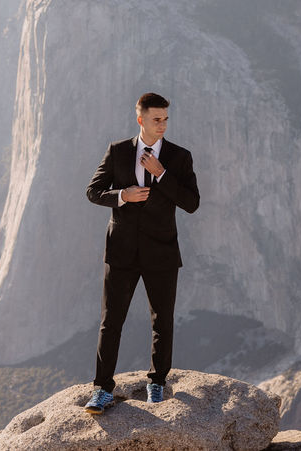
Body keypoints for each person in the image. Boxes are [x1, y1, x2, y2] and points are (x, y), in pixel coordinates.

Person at [83, 92, 200, 413]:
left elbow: (191, 203)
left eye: (165, 119)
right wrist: (123, 195)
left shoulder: (178, 157)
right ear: (141, 120)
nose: (162, 125)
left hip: (161, 252)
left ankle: (157, 384)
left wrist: (162, 173)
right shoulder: (118, 151)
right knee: (111, 322)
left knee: (162, 321)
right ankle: (102, 390)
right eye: (156, 119)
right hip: (120, 251)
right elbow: (93, 191)